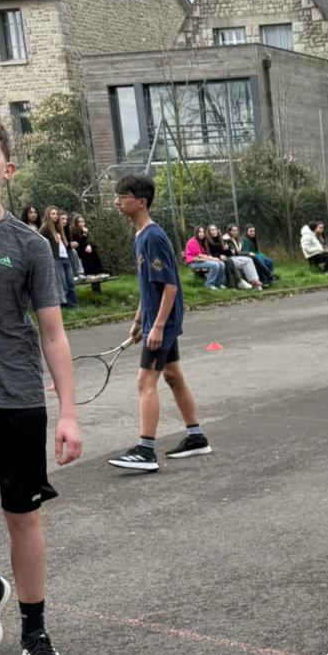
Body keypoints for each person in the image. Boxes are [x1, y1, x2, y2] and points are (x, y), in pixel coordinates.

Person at [0, 115, 82, 655]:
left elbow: (53, 334)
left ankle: (34, 630)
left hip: (16, 399)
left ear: (7, 168)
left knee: (22, 519)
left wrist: (69, 413)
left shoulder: (30, 245)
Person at [108, 174, 212, 473]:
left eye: (122, 197)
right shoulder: (140, 235)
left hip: (163, 322)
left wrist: (157, 326)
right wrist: (140, 318)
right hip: (157, 319)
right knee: (173, 375)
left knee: (145, 382)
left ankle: (145, 451)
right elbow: (149, 286)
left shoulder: (153, 237)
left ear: (141, 202)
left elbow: (170, 286)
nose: (116, 202)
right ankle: (196, 437)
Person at [40, 206, 78, 310]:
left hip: (65, 258)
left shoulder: (58, 228)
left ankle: (73, 305)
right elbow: (40, 243)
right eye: (53, 214)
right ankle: (64, 305)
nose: (55, 216)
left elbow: (64, 244)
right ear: (48, 215)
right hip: (56, 259)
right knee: (63, 284)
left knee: (70, 283)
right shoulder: (45, 228)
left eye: (57, 214)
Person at [206, 223, 261, 289]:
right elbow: (210, 253)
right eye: (211, 230)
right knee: (230, 261)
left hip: (228, 257)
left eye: (215, 229)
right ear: (209, 232)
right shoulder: (208, 241)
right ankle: (239, 281)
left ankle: (255, 281)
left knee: (249, 260)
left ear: (217, 230)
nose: (214, 231)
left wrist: (227, 249)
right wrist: (220, 256)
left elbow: (228, 253)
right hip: (220, 259)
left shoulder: (220, 239)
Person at [59, 211, 84, 279]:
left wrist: (72, 244)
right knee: (73, 252)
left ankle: (79, 273)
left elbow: (68, 243)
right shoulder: (55, 229)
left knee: (73, 251)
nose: (65, 221)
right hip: (57, 252)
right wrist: (70, 245)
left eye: (66, 219)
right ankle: (75, 274)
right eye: (62, 219)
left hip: (67, 250)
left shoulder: (67, 229)